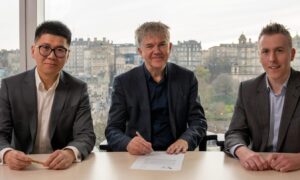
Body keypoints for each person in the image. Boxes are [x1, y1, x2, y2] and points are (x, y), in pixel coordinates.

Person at [0, 21, 96, 170]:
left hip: (61, 169)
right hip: (21, 168)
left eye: (59, 50)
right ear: (33, 50)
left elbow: (86, 135)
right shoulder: (10, 86)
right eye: (45, 48)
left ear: (67, 55)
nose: (51, 56)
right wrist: (7, 154)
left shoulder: (78, 89)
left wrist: (70, 153)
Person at [105, 21, 207, 155]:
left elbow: (198, 122)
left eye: (162, 44)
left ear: (169, 47)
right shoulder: (123, 83)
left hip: (176, 156)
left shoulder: (187, 78)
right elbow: (112, 129)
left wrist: (185, 140)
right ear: (140, 51)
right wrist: (128, 143)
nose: (157, 51)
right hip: (138, 158)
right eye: (149, 46)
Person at [224, 22, 300, 172]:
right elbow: (234, 133)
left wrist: (299, 159)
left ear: (292, 54)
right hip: (259, 171)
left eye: (279, 51)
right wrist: (243, 152)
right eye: (265, 51)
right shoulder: (247, 89)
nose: (272, 59)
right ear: (259, 56)